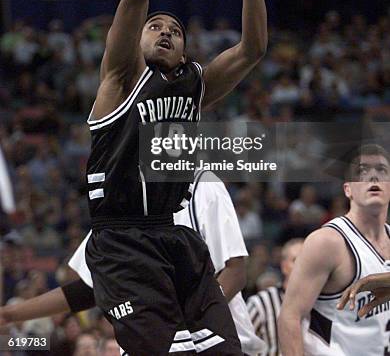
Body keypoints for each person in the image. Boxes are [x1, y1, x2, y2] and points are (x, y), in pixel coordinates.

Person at [72, 0, 269, 355]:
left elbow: (252, 49)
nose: (163, 31)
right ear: (137, 40)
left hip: (176, 240)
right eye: (155, 27)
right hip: (121, 243)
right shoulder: (119, 77)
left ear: (184, 47)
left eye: (174, 28)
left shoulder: (194, 86)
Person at [0, 170, 265, 355]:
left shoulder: (201, 185)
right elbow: (89, 289)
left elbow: (235, 272)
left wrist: (180, 332)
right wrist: (9, 314)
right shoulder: (115, 213)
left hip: (216, 344)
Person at [278, 143, 390, 356]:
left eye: (382, 171)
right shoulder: (328, 242)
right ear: (348, 189)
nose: (373, 177)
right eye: (362, 171)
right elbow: (289, 317)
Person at [246, 239, 303, 355]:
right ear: (284, 266)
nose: (302, 266)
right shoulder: (261, 303)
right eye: (295, 260)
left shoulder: (322, 303)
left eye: (307, 261)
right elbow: (243, 347)